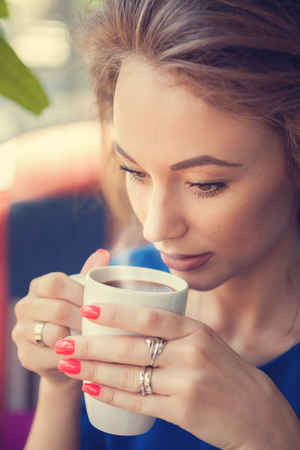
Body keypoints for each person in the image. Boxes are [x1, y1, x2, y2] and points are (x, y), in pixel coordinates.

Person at [12, 0, 300, 449]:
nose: (155, 228)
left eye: (205, 184)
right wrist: (61, 383)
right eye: (135, 172)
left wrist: (274, 439)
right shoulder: (122, 293)